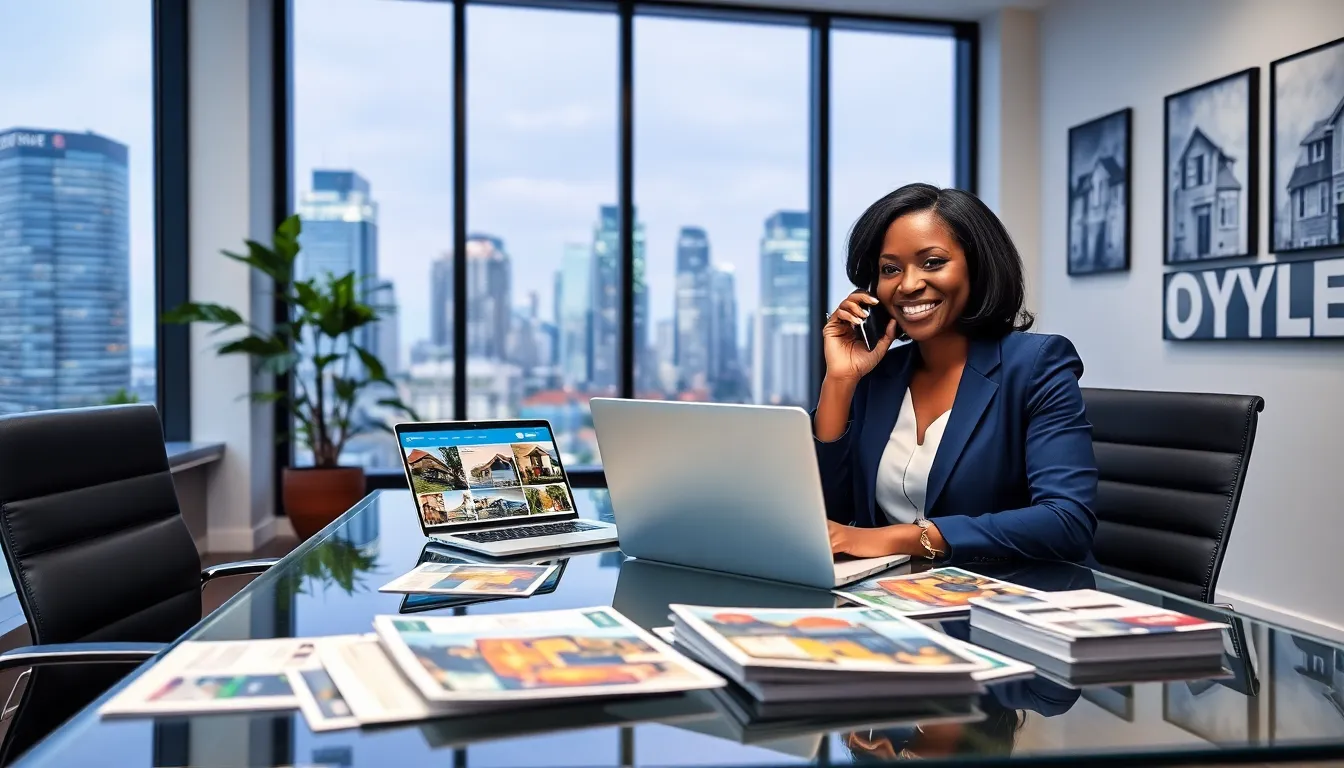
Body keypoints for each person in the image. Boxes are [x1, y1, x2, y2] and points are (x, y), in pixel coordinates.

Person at [814, 183, 1097, 565]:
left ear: (976, 267)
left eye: (932, 262)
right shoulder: (879, 376)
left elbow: (1067, 522)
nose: (909, 284)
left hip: (1016, 588)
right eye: (890, 269)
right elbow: (827, 516)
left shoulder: (1036, 365)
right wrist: (839, 381)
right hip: (897, 590)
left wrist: (900, 539)